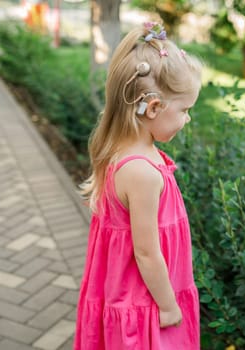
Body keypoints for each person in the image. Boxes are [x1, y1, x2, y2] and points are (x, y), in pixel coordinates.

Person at [74, 22, 202, 349]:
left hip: (135, 294)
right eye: (185, 110)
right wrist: (170, 305)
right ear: (154, 107)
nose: (187, 119)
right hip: (145, 304)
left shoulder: (127, 150)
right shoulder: (141, 172)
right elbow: (146, 253)